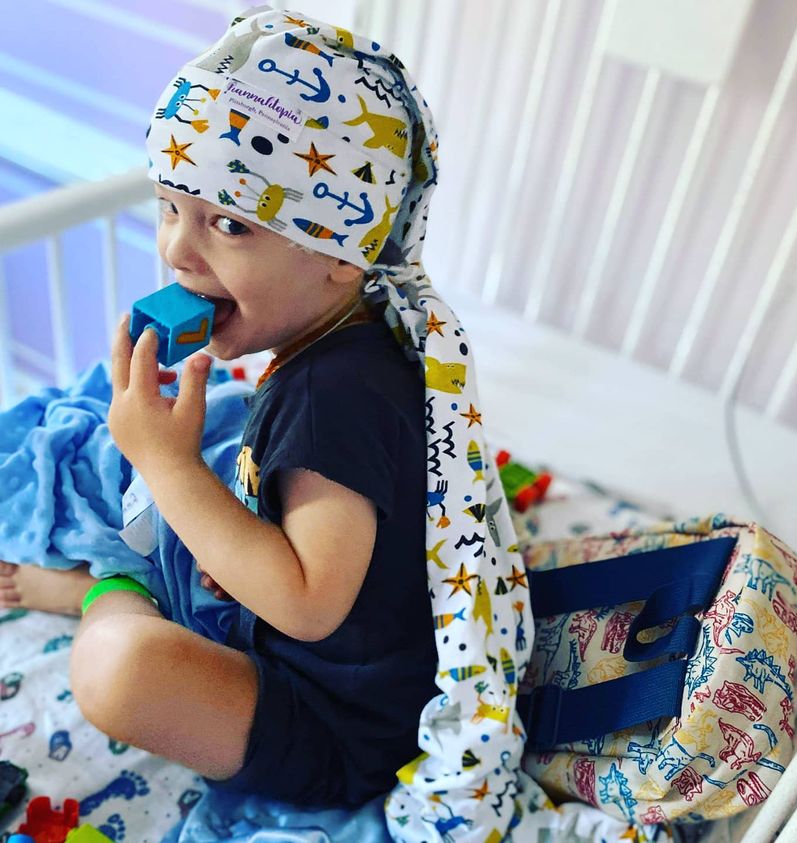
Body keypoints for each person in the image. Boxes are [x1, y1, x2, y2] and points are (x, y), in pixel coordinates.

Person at [0, 5, 539, 836]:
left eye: (227, 224)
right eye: (169, 207)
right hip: (299, 649)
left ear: (336, 254)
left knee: (119, 670)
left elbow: (310, 604)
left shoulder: (335, 395)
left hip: (338, 724)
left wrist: (167, 464)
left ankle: (107, 591)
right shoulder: (343, 345)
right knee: (202, 515)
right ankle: (139, 586)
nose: (178, 251)